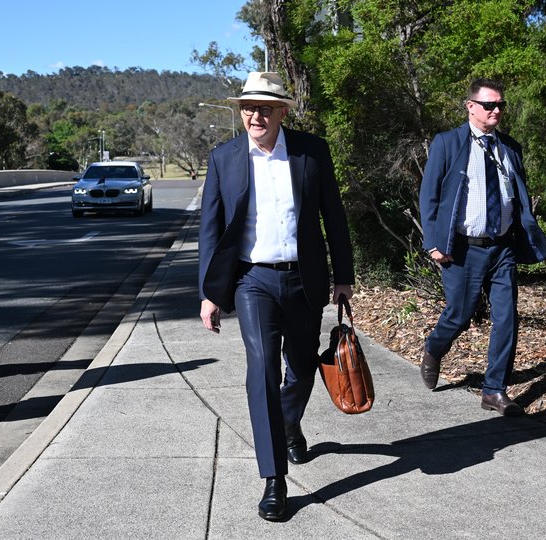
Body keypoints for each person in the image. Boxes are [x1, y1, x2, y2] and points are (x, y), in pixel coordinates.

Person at [198, 72, 354, 521]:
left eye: (265, 107)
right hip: (253, 282)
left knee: (303, 368)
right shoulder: (224, 158)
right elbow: (210, 231)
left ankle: (287, 423)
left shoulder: (310, 152)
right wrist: (210, 294)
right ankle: (274, 478)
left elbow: (334, 217)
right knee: (262, 368)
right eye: (248, 107)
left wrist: (343, 275)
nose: (255, 115)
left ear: (283, 111)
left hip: (304, 279)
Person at [418, 78, 546, 415]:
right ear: (471, 107)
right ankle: (434, 347)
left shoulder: (510, 148)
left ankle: (494, 390)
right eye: (489, 105)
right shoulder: (448, 143)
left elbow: (516, 194)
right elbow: (429, 195)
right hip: (462, 248)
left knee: (507, 318)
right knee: (460, 314)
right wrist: (433, 242)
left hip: (502, 246)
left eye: (500, 105)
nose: (496, 111)